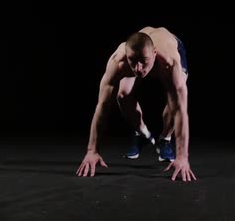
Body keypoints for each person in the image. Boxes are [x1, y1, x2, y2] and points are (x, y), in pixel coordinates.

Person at [75, 26, 197, 182]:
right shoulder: (118, 62)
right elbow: (102, 106)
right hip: (141, 48)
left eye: (144, 62)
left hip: (170, 45)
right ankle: (143, 134)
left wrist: (182, 157)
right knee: (122, 95)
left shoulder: (170, 63)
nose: (139, 69)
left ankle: (165, 139)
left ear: (153, 54)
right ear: (127, 56)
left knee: (174, 102)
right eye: (133, 61)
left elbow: (180, 111)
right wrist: (92, 150)